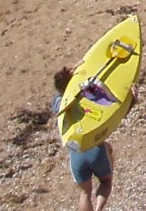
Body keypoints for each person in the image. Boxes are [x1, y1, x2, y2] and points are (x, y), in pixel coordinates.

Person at [52, 68, 134, 211]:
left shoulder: (58, 102)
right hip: (95, 149)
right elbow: (112, 114)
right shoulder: (87, 98)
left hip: (75, 152)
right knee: (106, 182)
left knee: (85, 193)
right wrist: (131, 100)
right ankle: (98, 209)